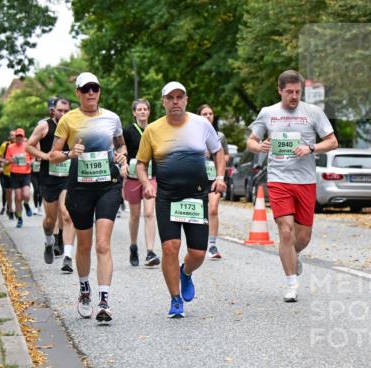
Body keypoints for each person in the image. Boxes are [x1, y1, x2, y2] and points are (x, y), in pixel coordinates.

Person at [136, 81, 226, 318]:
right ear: (163, 102)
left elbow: (218, 152)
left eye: (179, 97)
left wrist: (220, 177)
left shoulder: (201, 124)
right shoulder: (152, 130)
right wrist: (146, 184)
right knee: (169, 247)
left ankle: (185, 272)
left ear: (186, 100)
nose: (175, 101)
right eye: (170, 98)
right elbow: (141, 164)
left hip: (196, 195)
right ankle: (175, 299)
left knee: (198, 253)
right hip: (167, 197)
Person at [246, 70, 338, 302]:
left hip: (305, 181)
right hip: (278, 179)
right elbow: (251, 141)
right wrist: (260, 147)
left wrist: (311, 148)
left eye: (298, 92)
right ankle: (291, 284)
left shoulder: (313, 112)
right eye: (289, 92)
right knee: (285, 231)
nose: (294, 96)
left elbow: (332, 141)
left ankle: (293, 255)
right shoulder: (268, 113)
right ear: (280, 90)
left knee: (303, 237)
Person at [49, 72, 128, 323]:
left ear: (99, 91)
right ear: (78, 93)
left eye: (95, 88)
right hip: (80, 188)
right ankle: (85, 291)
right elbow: (53, 155)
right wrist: (70, 153)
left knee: (102, 244)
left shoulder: (112, 118)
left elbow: (121, 145)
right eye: (86, 89)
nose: (91, 93)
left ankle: (104, 301)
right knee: (84, 244)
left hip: (108, 186)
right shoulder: (68, 120)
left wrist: (122, 156)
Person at [27, 97, 77, 266]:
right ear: (53, 111)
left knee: (67, 213)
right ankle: (49, 241)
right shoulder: (44, 126)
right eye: (60, 110)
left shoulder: (73, 126)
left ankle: (67, 256)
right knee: (50, 220)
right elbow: (29, 145)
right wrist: (45, 156)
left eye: (66, 111)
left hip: (67, 177)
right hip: (48, 178)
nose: (63, 114)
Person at [121, 99, 158, 267]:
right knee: (135, 215)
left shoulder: (155, 130)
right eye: (139, 109)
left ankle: (150, 252)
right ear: (134, 113)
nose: (142, 112)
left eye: (145, 109)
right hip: (133, 177)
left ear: (149, 112)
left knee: (149, 213)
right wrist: (123, 164)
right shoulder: (128, 131)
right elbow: (122, 151)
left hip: (151, 176)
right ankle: (133, 246)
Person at [198, 104, 229, 260]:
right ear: (199, 116)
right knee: (200, 211)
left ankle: (212, 245)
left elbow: (226, 155)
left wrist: (218, 158)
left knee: (213, 209)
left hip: (215, 177)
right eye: (204, 114)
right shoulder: (194, 134)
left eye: (210, 113)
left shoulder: (219, 136)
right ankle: (197, 243)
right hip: (198, 178)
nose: (208, 116)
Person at [4, 129, 33, 226]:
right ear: (15, 137)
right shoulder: (10, 147)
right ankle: (19, 218)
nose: (19, 138)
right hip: (15, 174)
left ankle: (26, 204)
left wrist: (30, 162)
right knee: (18, 197)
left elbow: (33, 158)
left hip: (26, 174)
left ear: (23, 137)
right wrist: (10, 160)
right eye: (17, 136)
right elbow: (6, 161)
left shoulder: (27, 146)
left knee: (26, 195)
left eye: (21, 136)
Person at [0, 132, 15, 217]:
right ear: (9, 136)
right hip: (5, 172)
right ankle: (5, 206)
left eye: (15, 135)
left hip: (15, 172)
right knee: (5, 190)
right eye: (12, 135)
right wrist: (4, 161)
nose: (13, 136)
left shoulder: (19, 145)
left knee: (11, 191)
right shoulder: (5, 145)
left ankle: (9, 208)